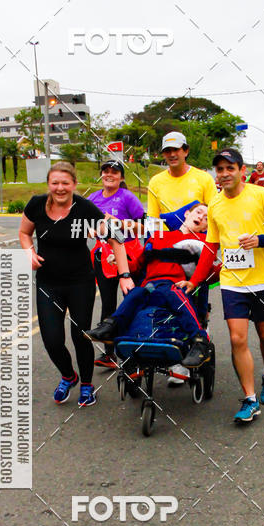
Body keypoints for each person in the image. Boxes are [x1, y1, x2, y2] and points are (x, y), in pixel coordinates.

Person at [19, 161, 131, 407]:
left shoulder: (85, 208)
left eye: (65, 183)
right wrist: (28, 252)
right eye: (55, 183)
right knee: (52, 339)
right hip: (48, 282)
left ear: (74, 185)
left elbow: (116, 239)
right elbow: (24, 233)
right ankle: (69, 376)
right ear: (48, 184)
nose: (60, 188)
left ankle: (88, 385)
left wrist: (125, 275)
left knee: (80, 336)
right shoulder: (36, 204)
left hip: (80, 282)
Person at [180, 148, 264, 423]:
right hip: (232, 282)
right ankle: (250, 398)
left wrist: (261, 241)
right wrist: (195, 280)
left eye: (229, 168)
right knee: (237, 338)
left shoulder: (261, 196)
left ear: (242, 170)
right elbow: (211, 246)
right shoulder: (214, 204)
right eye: (219, 169)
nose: (224, 174)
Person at [86, 204, 214, 368]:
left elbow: (210, 271)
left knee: (172, 291)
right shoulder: (158, 237)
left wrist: (195, 282)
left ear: (207, 226)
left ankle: (200, 340)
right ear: (187, 214)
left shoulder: (204, 242)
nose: (201, 217)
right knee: (137, 292)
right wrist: (120, 259)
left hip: (175, 285)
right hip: (151, 286)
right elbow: (138, 266)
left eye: (206, 218)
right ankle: (111, 327)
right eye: (199, 212)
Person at [146, 131, 217, 383]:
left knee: (196, 300)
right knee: (166, 301)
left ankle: (198, 338)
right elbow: (153, 221)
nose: (172, 155)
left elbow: (213, 216)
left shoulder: (203, 178)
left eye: (176, 150)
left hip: (198, 249)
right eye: (167, 151)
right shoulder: (156, 182)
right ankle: (172, 352)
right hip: (169, 250)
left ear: (185, 151)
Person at [88, 159, 145, 370]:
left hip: (128, 255)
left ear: (121, 177)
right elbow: (84, 225)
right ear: (101, 174)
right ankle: (110, 354)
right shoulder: (92, 199)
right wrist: (90, 230)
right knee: (107, 303)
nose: (109, 175)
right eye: (105, 171)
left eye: (114, 172)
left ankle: (135, 352)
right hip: (103, 256)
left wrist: (120, 224)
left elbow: (145, 227)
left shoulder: (127, 197)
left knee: (130, 301)